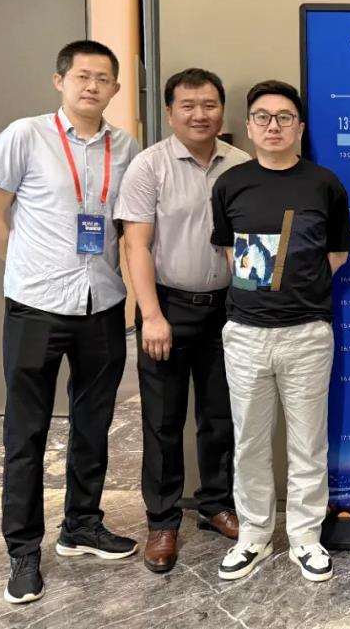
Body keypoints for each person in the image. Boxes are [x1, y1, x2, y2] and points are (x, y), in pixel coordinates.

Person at [0, 40, 140, 604]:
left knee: (93, 425)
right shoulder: (24, 136)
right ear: (60, 81)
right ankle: (23, 551)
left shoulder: (126, 147)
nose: (92, 86)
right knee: (26, 433)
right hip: (35, 308)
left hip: (102, 305)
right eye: (82, 76)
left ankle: (81, 526)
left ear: (115, 88)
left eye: (103, 78)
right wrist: (27, 270)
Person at [210, 80, 350, 582]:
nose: (274, 126)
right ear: (249, 127)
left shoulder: (324, 184)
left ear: (300, 128)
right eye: (263, 117)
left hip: (307, 334)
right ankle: (253, 535)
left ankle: (306, 538)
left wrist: (298, 290)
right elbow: (229, 252)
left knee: (308, 442)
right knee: (249, 441)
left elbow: (337, 254)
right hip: (246, 334)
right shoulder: (230, 184)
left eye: (284, 117)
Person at [114, 68, 251, 573]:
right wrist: (150, 315)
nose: (200, 114)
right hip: (167, 308)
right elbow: (136, 245)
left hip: (228, 310)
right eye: (188, 106)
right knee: (163, 421)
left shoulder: (241, 164)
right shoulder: (149, 166)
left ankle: (215, 504)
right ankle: (162, 520)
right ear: (170, 112)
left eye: (209, 105)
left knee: (221, 416)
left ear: (222, 111)